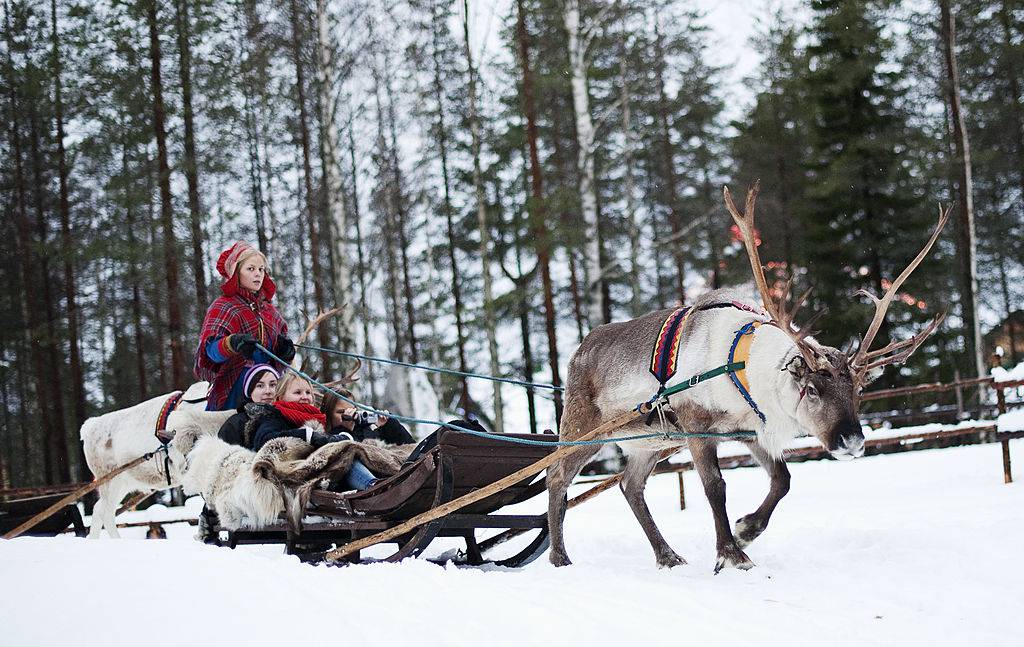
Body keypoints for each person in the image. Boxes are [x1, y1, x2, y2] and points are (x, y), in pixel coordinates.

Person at [194, 241, 294, 411]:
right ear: (236, 273)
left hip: (270, 390)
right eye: (251, 269)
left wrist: (285, 353)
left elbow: (279, 361)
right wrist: (232, 343)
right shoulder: (223, 306)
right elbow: (210, 352)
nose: (258, 274)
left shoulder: (270, 311)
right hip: (235, 390)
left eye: (261, 269)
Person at [247, 373, 378, 490]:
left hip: (318, 472)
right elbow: (263, 440)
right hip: (290, 475)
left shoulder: (317, 419)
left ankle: (379, 485)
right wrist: (305, 435)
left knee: (350, 454)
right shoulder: (274, 416)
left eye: (308, 392)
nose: (305, 397)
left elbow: (327, 441)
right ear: (280, 396)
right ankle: (372, 487)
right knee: (343, 458)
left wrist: (345, 430)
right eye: (297, 392)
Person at [319, 389, 415, 445]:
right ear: (328, 414)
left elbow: (411, 447)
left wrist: (388, 424)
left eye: (352, 410)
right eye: (341, 412)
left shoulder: (365, 427)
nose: (348, 415)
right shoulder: (323, 437)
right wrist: (345, 430)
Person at [217, 364, 279, 447]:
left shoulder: (289, 418)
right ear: (250, 392)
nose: (268, 391)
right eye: (260, 386)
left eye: (273, 385)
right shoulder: (235, 424)